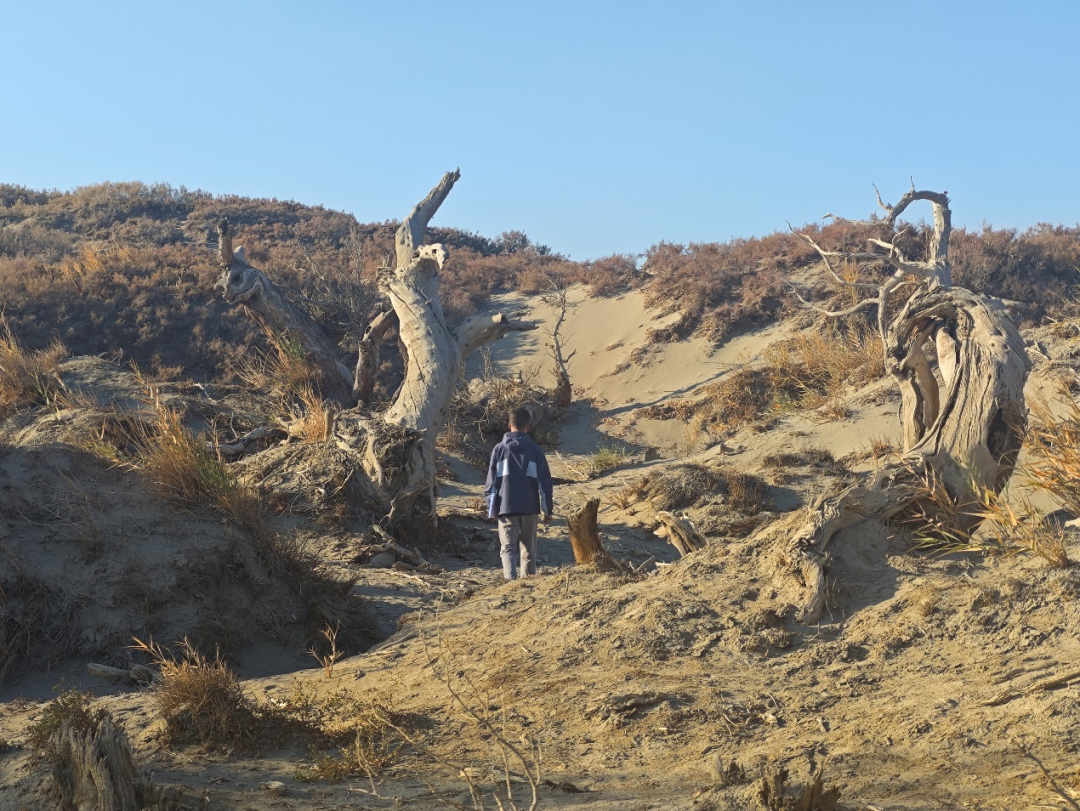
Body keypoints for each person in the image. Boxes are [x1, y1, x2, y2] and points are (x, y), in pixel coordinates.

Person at [484, 407, 554, 580]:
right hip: (529, 507)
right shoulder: (535, 450)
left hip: (506, 507)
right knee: (528, 549)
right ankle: (528, 584)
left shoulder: (499, 450)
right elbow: (544, 483)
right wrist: (548, 510)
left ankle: (510, 582)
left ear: (509, 425)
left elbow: (492, 483)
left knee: (508, 548)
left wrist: (491, 509)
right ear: (528, 426)